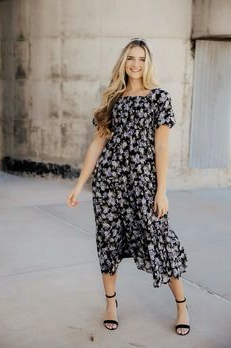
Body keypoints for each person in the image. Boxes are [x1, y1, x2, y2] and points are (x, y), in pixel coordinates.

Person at [67, 38, 190, 336]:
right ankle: (110, 303)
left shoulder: (159, 97)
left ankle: (182, 305)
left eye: (142, 59)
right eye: (131, 58)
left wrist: (161, 190)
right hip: (110, 182)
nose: (136, 64)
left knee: (160, 240)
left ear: (148, 64)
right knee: (108, 240)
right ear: (123, 62)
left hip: (144, 183)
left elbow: (161, 145)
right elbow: (98, 142)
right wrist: (80, 183)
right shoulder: (113, 97)